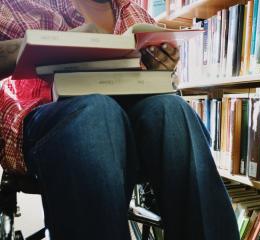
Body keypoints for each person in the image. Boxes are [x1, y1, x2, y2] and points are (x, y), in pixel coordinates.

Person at [0, 0, 240, 239]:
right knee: (96, 112)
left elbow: (158, 87)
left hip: (132, 128)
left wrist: (162, 68)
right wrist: (36, 45)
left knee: (173, 109)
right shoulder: (24, 4)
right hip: (50, 122)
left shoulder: (137, 15)